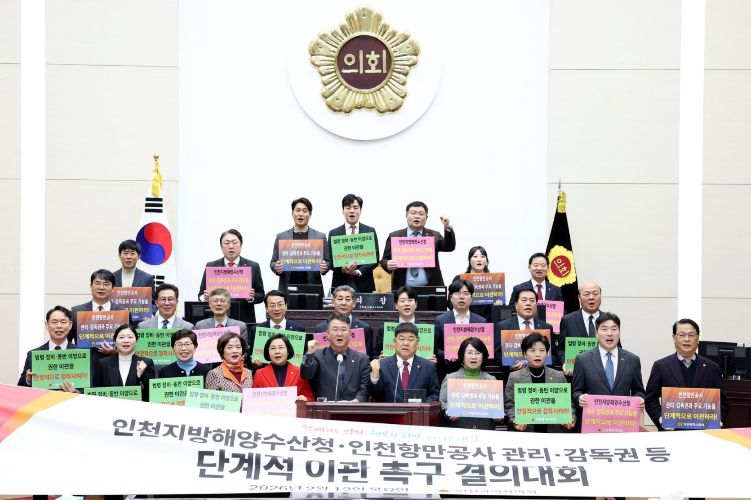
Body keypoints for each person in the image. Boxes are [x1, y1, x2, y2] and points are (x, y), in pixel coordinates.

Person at [645, 318, 728, 430]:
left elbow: (723, 401)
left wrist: (718, 420)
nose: (686, 339)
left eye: (691, 335)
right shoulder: (661, 366)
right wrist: (660, 418)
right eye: (681, 335)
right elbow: (650, 399)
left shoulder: (712, 368)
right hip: (671, 432)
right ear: (674, 338)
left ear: (698, 339)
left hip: (704, 432)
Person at [571, 312, 646, 431]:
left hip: (622, 424)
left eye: (614, 329)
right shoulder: (582, 359)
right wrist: (579, 398)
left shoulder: (632, 360)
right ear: (596, 333)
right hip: (593, 425)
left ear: (619, 333)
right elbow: (576, 391)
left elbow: (639, 390)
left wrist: (639, 399)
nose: (609, 333)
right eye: (604, 329)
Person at [505, 333, 575, 433]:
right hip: (526, 432)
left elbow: (569, 404)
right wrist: (516, 420)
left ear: (547, 353)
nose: (537, 354)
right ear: (524, 354)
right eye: (532, 350)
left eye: (542, 350)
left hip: (553, 431)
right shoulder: (514, 377)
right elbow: (509, 405)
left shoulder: (559, 376)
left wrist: (571, 418)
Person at [380, 201, 456, 289]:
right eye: (413, 213)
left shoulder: (434, 235)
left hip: (430, 287)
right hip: (403, 290)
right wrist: (387, 264)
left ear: (426, 217)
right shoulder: (395, 236)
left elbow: (449, 247)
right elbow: (384, 260)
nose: (417, 216)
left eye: (421, 214)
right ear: (406, 216)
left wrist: (447, 227)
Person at [197, 229, 265, 323]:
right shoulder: (211, 266)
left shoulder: (253, 266)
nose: (231, 246)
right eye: (227, 243)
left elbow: (261, 295)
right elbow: (200, 295)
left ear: (241, 245)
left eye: (234, 242)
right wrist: (205, 298)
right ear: (221, 246)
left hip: (244, 318)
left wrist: (251, 297)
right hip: (217, 319)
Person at [301, 312, 371, 402]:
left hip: (353, 408)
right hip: (324, 409)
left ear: (350, 334)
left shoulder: (362, 359)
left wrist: (358, 400)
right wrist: (310, 354)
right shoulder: (317, 356)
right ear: (327, 334)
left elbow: (365, 389)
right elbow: (306, 375)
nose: (339, 334)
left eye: (343, 329)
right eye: (335, 329)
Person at [270, 197, 332, 292]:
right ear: (292, 213)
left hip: (312, 287)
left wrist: (325, 266)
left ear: (310, 214)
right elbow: (273, 261)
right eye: (297, 210)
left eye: (304, 211)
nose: (301, 214)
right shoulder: (281, 237)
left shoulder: (320, 237)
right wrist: (276, 267)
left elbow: (328, 261)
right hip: (287, 288)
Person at [368, 322, 440, 403]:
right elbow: (374, 394)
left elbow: (434, 394)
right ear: (394, 342)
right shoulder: (382, 365)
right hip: (390, 411)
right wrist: (375, 377)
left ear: (417, 343)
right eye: (401, 339)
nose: (406, 343)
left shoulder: (428, 366)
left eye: (410, 339)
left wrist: (421, 406)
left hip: (418, 410)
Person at [18, 305, 84, 391]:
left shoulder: (82, 355)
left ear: (70, 325)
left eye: (63, 322)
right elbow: (20, 388)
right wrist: (28, 380)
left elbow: (88, 387)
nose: (59, 326)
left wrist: (76, 392)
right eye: (54, 322)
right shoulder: (33, 354)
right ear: (47, 325)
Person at [439, 337, 497, 430]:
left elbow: (496, 405)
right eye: (469, 353)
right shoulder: (451, 378)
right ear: (462, 356)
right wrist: (449, 411)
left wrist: (498, 415)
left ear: (483, 356)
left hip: (484, 430)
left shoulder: (491, 380)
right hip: (458, 430)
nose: (473, 357)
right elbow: (442, 403)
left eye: (478, 353)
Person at [434, 279, 488, 379]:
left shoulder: (481, 321)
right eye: (457, 293)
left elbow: (485, 349)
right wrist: (447, 354)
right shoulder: (440, 320)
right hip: (448, 371)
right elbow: (436, 349)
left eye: (466, 293)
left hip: (474, 373)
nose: (461, 297)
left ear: (471, 298)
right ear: (451, 297)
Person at [494, 288, 554, 374]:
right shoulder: (503, 326)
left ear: (536, 305)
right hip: (513, 375)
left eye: (532, 300)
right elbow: (497, 354)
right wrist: (510, 366)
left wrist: (543, 365)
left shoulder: (546, 327)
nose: (528, 303)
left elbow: (553, 354)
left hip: (540, 374)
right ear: (516, 305)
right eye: (524, 300)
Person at [70, 269, 131, 353]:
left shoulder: (123, 313)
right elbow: (67, 342)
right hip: (86, 360)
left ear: (113, 288)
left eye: (106, 284)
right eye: (97, 283)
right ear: (91, 286)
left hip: (114, 359)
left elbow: (131, 343)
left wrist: (116, 352)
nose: (101, 287)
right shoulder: (76, 311)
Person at [328, 194, 380, 293]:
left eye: (355, 208)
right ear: (343, 210)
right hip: (340, 283)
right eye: (348, 208)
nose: (352, 211)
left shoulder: (369, 231)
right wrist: (342, 268)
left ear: (360, 210)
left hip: (364, 283)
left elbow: (375, 257)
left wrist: (359, 271)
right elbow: (330, 259)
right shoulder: (334, 233)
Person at [93, 324, 155, 401]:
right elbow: (96, 393)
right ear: (115, 342)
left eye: (130, 337)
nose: (126, 341)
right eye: (121, 337)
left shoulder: (146, 363)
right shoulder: (103, 364)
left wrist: (141, 375)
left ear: (136, 341)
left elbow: (151, 393)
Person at [248, 290, 307, 367]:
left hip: (291, 372)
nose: (276, 309)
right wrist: (254, 363)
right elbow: (249, 358)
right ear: (266, 308)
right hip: (265, 371)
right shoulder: (256, 330)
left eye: (280, 304)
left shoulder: (298, 329)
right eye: (272, 305)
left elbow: (303, 358)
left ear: (286, 306)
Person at [313, 285, 374, 358]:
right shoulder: (320, 328)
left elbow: (368, 357)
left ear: (354, 303)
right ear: (333, 302)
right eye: (340, 299)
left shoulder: (365, 328)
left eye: (347, 299)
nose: (343, 303)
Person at [555, 281, 603, 371]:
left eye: (595, 294)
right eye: (587, 294)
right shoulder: (568, 320)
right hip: (577, 372)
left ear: (600, 296)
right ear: (579, 298)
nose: (591, 297)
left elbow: (616, 347)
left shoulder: (609, 320)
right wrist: (565, 363)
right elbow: (561, 349)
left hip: (602, 373)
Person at [251, 333, 315, 401]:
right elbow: (252, 400)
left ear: (288, 351)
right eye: (273, 348)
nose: (277, 351)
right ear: (268, 352)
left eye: (281, 347)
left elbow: (311, 398)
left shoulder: (299, 373)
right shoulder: (259, 374)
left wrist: (305, 399)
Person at [452, 245, 499, 321]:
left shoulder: (495, 280)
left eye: (482, 256)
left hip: (489, 321)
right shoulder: (460, 278)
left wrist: (498, 305)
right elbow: (451, 302)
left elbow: (501, 305)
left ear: (486, 260)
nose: (479, 259)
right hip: (464, 320)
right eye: (475, 256)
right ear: (469, 260)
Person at [372, 285, 420, 358]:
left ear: (416, 304)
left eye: (410, 300)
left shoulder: (428, 330)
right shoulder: (384, 329)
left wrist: (434, 361)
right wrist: (380, 358)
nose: (407, 304)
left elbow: (435, 355)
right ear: (396, 305)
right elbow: (375, 355)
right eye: (402, 301)